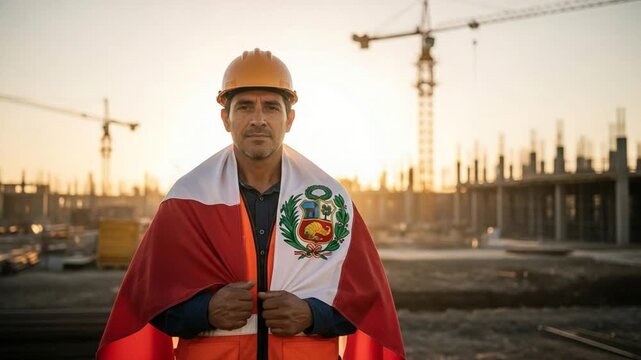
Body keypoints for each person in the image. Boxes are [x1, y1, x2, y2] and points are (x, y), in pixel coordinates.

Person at [97, 49, 405, 360]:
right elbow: (149, 304)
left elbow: (366, 305)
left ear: (290, 119)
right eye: (245, 107)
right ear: (225, 118)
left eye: (271, 107)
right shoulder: (187, 198)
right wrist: (205, 311)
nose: (258, 119)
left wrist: (311, 315)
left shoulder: (331, 200)